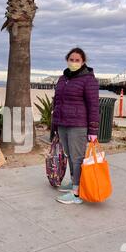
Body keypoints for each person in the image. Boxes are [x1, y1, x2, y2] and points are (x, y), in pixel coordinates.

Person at [51, 48, 99, 204]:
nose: (73, 62)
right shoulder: (62, 78)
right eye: (71, 59)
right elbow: (57, 102)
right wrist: (54, 124)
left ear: (83, 62)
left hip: (78, 125)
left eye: (77, 60)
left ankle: (77, 194)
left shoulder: (88, 79)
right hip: (63, 124)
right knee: (70, 156)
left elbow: (93, 106)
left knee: (77, 158)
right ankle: (74, 181)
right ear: (67, 60)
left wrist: (93, 130)